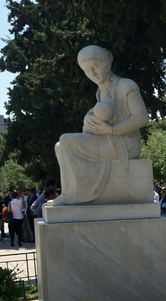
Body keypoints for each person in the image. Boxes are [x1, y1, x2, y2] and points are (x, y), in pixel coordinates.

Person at [53, 45, 149, 205]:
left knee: (66, 141)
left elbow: (142, 118)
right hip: (109, 140)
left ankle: (73, 195)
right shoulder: (100, 92)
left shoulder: (126, 85)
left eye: (94, 67)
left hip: (125, 143)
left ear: (107, 62)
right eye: (86, 70)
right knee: (59, 146)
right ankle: (77, 192)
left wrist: (111, 130)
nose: (92, 73)